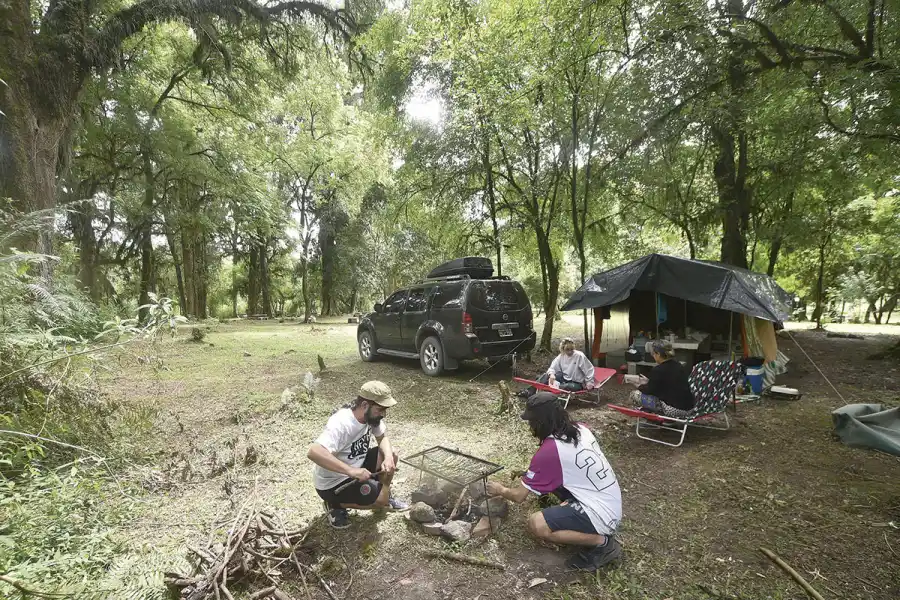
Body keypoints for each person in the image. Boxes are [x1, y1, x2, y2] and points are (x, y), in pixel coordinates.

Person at [485, 392, 623, 572]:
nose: (530, 426)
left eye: (531, 422)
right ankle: (580, 516)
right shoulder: (581, 428)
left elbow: (518, 496)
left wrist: (500, 489)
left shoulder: (550, 451)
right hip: (610, 500)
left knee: (537, 524)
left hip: (601, 514)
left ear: (541, 422)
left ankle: (603, 543)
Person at [307, 381, 408, 529]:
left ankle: (383, 493)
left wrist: (387, 457)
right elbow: (314, 452)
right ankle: (334, 504)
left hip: (356, 466)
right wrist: (352, 471)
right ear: (365, 405)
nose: (383, 414)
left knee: (392, 454)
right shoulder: (342, 423)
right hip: (334, 483)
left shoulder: (371, 418)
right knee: (381, 501)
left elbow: (382, 438)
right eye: (380, 409)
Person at [628, 339, 694, 418]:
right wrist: (649, 381)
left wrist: (639, 385)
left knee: (635, 394)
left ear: (658, 354)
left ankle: (658, 415)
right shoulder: (679, 365)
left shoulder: (658, 370)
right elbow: (668, 384)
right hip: (689, 409)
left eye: (653, 353)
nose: (652, 356)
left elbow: (650, 391)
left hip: (674, 410)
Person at [518, 337, 595, 397]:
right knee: (546, 375)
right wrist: (551, 374)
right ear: (563, 349)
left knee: (566, 386)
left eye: (571, 349)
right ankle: (528, 391)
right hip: (564, 378)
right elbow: (552, 368)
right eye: (567, 349)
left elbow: (589, 369)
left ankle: (549, 386)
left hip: (577, 382)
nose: (570, 352)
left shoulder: (579, 356)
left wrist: (589, 382)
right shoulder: (561, 356)